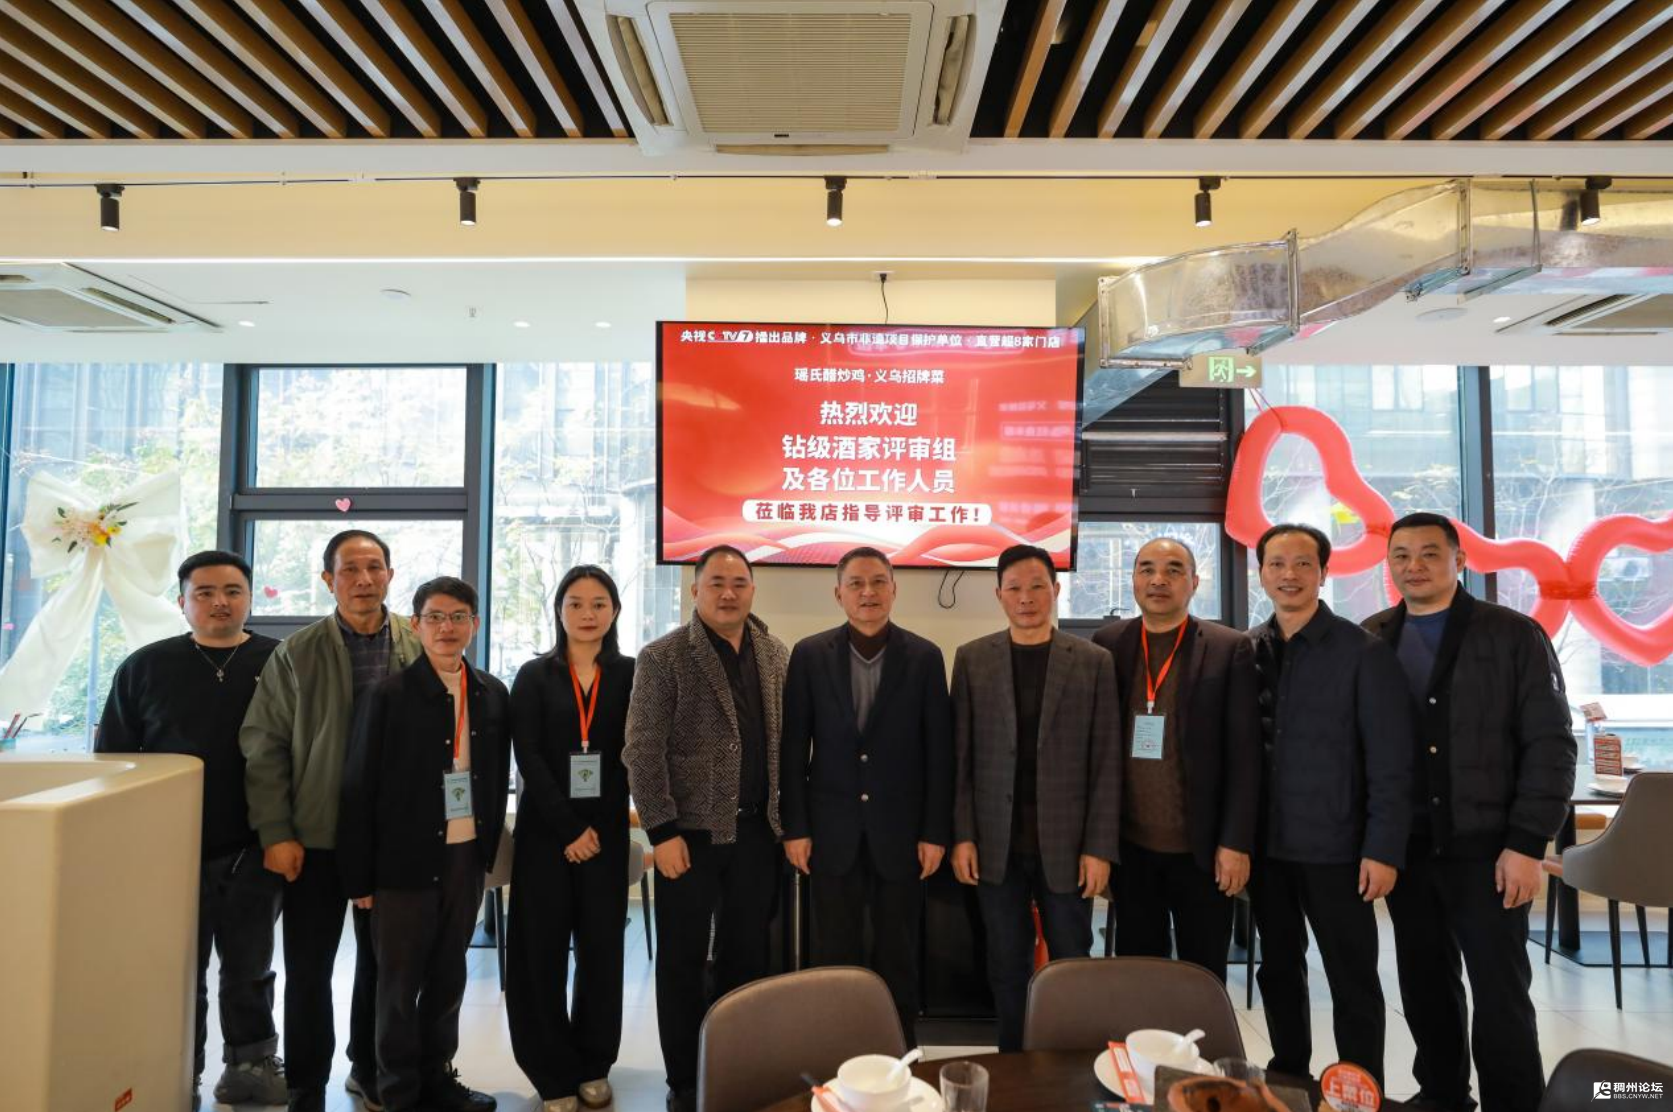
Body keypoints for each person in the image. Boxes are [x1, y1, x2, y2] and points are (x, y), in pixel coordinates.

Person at [1364, 512, 1576, 1112]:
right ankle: (1443, 1096)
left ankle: (1515, 1102)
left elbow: (1551, 744)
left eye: (1430, 553)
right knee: (1425, 985)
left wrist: (1527, 843)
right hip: (1409, 847)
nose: (1414, 566)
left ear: (1460, 561)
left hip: (1490, 849)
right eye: (1401, 555)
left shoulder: (1512, 634)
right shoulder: (1373, 636)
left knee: (1500, 993)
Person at [97, 550, 286, 1110]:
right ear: (182, 602)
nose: (219, 602)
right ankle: (180, 1070)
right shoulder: (145, 667)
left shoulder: (281, 661)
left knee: (250, 966)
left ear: (249, 598)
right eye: (204, 592)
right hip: (167, 853)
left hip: (255, 846)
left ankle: (250, 1065)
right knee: (177, 972)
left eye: (232, 590)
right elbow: (114, 762)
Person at [241, 529, 422, 1112]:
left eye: (374, 567)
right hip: (314, 837)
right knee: (309, 969)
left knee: (383, 969)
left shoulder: (417, 644)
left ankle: (369, 1071)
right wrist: (276, 832)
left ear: (390, 575)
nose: (364, 580)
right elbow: (265, 747)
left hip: (389, 840)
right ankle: (306, 1086)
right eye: (349, 569)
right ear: (328, 579)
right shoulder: (297, 652)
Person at [624, 544, 792, 1112]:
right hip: (688, 838)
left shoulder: (775, 653)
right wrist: (661, 831)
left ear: (753, 590)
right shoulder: (664, 657)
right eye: (716, 582)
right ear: (695, 590)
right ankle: (684, 1079)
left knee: (747, 958)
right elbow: (641, 750)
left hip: (758, 835)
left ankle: (737, 1067)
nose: (728, 592)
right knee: (682, 961)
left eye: (739, 583)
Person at [1248, 523, 1413, 1087]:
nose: (1289, 574)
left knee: (1352, 978)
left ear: (1323, 572)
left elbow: (1392, 760)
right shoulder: (1250, 649)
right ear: (1262, 572)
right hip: (1267, 848)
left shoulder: (1363, 653)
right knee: (1277, 970)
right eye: (1277, 564)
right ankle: (1288, 1076)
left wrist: (1383, 849)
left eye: (1302, 563)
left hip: (1338, 848)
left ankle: (1359, 1087)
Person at [339, 576, 506, 1112]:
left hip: (465, 858)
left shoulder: (491, 693)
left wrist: (485, 853)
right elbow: (358, 789)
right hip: (401, 864)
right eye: (434, 617)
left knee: (448, 976)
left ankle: (438, 1078)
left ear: (474, 625)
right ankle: (398, 1092)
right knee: (397, 985)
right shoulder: (387, 695)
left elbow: (495, 772)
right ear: (415, 625)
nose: (446, 627)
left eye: (458, 617)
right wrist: (359, 877)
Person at [949, 543, 1122, 1052]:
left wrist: (1099, 848)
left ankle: (1070, 1066)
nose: (1026, 598)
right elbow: (961, 759)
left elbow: (1106, 761)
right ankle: (1013, 1063)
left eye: (1037, 587)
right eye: (1015, 588)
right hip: (995, 843)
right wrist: (963, 836)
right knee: (1006, 963)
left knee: (1071, 961)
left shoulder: (1093, 661)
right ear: (998, 595)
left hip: (1068, 845)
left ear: (1056, 590)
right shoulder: (973, 659)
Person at [780, 546, 953, 1046]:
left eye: (878, 582)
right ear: (838, 594)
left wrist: (934, 832)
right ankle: (836, 1047)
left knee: (898, 953)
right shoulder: (809, 655)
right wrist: (796, 828)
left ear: (894, 590)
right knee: (834, 953)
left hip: (901, 834)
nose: (868, 592)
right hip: (830, 833)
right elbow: (793, 749)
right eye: (855, 583)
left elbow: (939, 754)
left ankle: (899, 1052)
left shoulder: (924, 657)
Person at [1091, 537, 1261, 982]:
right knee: (1139, 974)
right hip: (1132, 850)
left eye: (1173, 570)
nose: (1158, 580)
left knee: (1201, 976)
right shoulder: (1108, 644)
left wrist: (1236, 843)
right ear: (1133, 579)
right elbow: (1097, 751)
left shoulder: (1228, 647)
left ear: (1194, 582)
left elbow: (1245, 756)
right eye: (1146, 569)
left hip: (1203, 852)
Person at [507, 566, 636, 1112]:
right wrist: (568, 828)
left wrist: (597, 826)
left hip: (606, 835)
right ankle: (551, 1071)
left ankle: (593, 1062)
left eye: (599, 603)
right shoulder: (534, 675)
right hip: (546, 836)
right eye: (576, 603)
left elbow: (635, 753)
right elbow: (528, 756)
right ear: (558, 610)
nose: (588, 614)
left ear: (614, 611)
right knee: (539, 953)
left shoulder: (632, 673)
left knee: (602, 952)